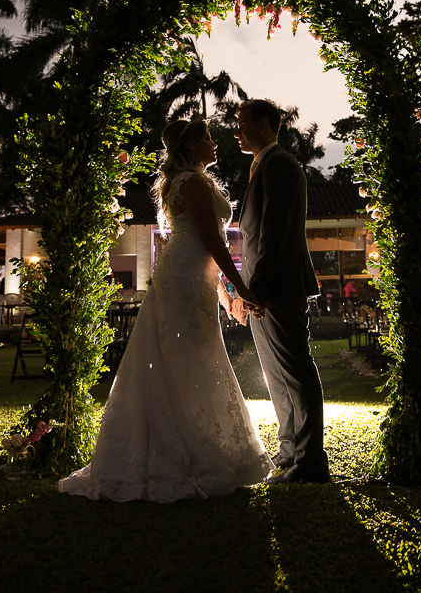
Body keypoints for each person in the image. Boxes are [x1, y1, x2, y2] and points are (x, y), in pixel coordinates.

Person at [59, 118, 272, 502]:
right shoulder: (190, 182)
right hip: (185, 279)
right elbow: (209, 239)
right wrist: (241, 287)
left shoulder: (191, 181)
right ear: (191, 147)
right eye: (207, 138)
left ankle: (197, 446)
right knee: (188, 358)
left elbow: (209, 244)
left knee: (195, 357)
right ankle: (182, 456)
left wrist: (227, 297)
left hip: (193, 276)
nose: (214, 142)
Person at [233, 98, 330, 484]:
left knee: (295, 370)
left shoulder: (281, 166)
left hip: (279, 287)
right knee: (275, 374)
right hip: (263, 288)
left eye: (242, 123)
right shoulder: (262, 166)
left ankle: (310, 461)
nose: (237, 130)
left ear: (265, 125)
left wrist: (256, 290)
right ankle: (290, 452)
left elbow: (273, 233)